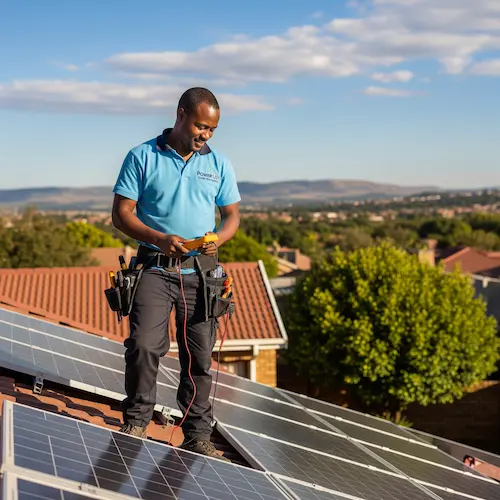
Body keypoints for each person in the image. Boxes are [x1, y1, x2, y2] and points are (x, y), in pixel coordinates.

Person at [111, 87, 240, 460]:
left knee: (198, 358)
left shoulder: (218, 164)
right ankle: (136, 421)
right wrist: (159, 239)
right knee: (144, 347)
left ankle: (197, 434)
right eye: (201, 126)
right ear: (180, 114)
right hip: (154, 268)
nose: (206, 135)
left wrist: (218, 238)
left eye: (212, 130)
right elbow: (121, 215)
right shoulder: (142, 156)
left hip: (203, 275)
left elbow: (232, 216)